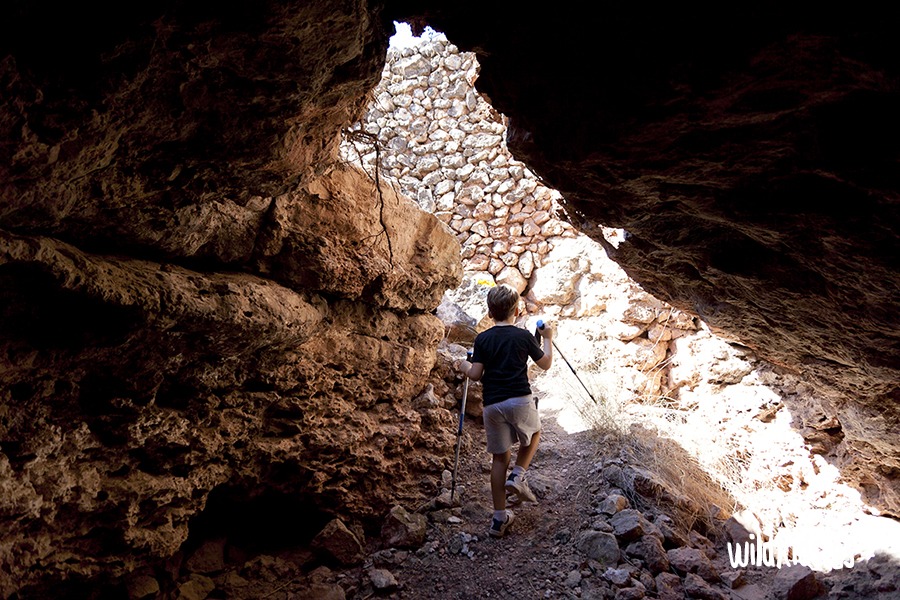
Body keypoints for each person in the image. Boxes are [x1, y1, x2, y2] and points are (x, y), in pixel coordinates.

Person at [459, 283, 554, 538]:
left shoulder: (482, 338)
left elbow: (476, 374)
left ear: (490, 313)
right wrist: (547, 339)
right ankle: (519, 475)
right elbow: (544, 364)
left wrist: (462, 366)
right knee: (534, 434)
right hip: (520, 398)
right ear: (517, 310)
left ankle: (499, 519)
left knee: (499, 459)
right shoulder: (523, 336)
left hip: (493, 405)